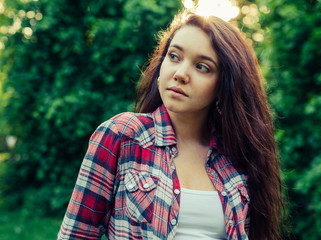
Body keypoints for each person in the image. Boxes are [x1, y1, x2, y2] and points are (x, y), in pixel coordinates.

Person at [58, 10, 284, 240]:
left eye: (202, 67)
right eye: (174, 56)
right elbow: (76, 234)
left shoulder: (237, 158)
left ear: (223, 87)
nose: (181, 74)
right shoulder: (121, 136)